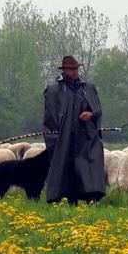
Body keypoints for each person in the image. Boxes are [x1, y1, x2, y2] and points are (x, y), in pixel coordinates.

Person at [43, 55, 106, 205]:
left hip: (86, 135)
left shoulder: (87, 88)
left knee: (89, 165)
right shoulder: (54, 90)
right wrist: (55, 135)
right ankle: (70, 200)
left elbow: (97, 108)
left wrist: (91, 114)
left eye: (76, 68)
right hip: (65, 137)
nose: (75, 71)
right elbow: (50, 115)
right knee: (67, 167)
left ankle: (91, 199)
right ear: (64, 70)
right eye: (71, 69)